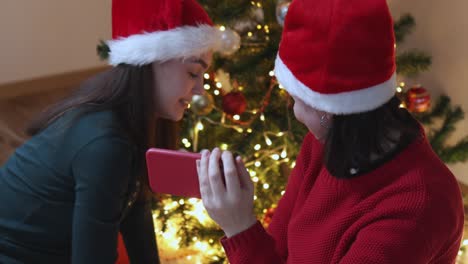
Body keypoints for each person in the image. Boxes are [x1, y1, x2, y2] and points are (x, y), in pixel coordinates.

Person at [196, 0, 465, 263]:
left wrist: (240, 229)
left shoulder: (417, 207)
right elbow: (277, 249)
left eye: (296, 99)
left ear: (329, 109)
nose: (295, 113)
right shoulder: (323, 144)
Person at [0, 0, 227, 263]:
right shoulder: (105, 141)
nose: (200, 89)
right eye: (193, 72)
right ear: (152, 61)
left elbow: (135, 212)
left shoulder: (132, 124)